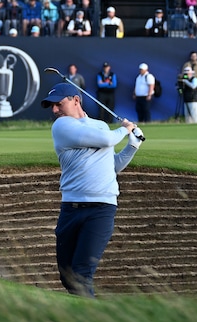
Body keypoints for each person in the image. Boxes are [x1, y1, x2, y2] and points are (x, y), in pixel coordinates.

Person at [40, 82, 142, 298]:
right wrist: (126, 129)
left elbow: (112, 166)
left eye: (58, 104)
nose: (54, 110)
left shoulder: (101, 126)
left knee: (81, 275)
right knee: (68, 277)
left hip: (101, 209)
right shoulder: (61, 126)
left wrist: (133, 145)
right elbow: (107, 139)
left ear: (76, 100)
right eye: (52, 106)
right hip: (71, 209)